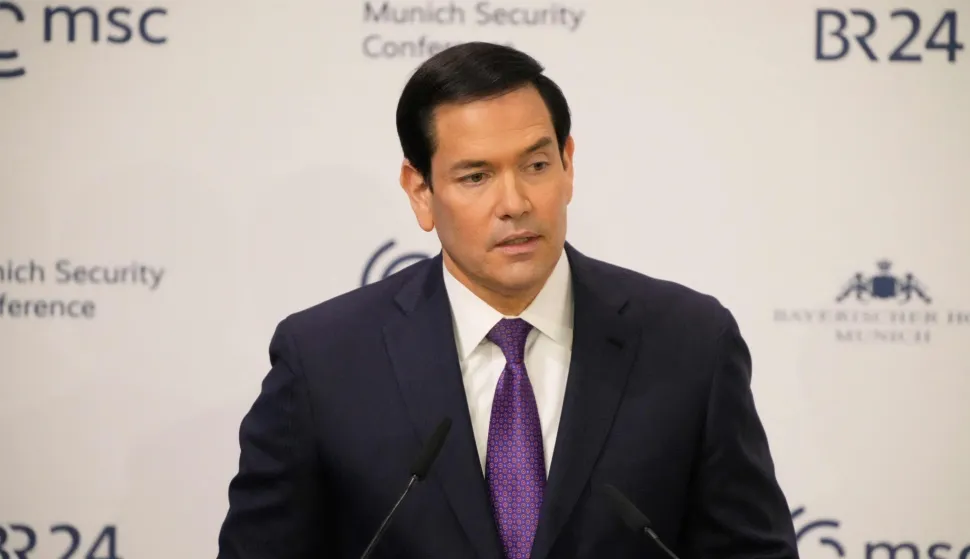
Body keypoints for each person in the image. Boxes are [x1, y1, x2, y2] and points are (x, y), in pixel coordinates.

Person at [217, 41, 799, 559]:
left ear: (568, 165)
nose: (515, 202)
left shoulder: (690, 342)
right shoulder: (325, 360)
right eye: (476, 177)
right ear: (421, 191)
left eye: (537, 165)